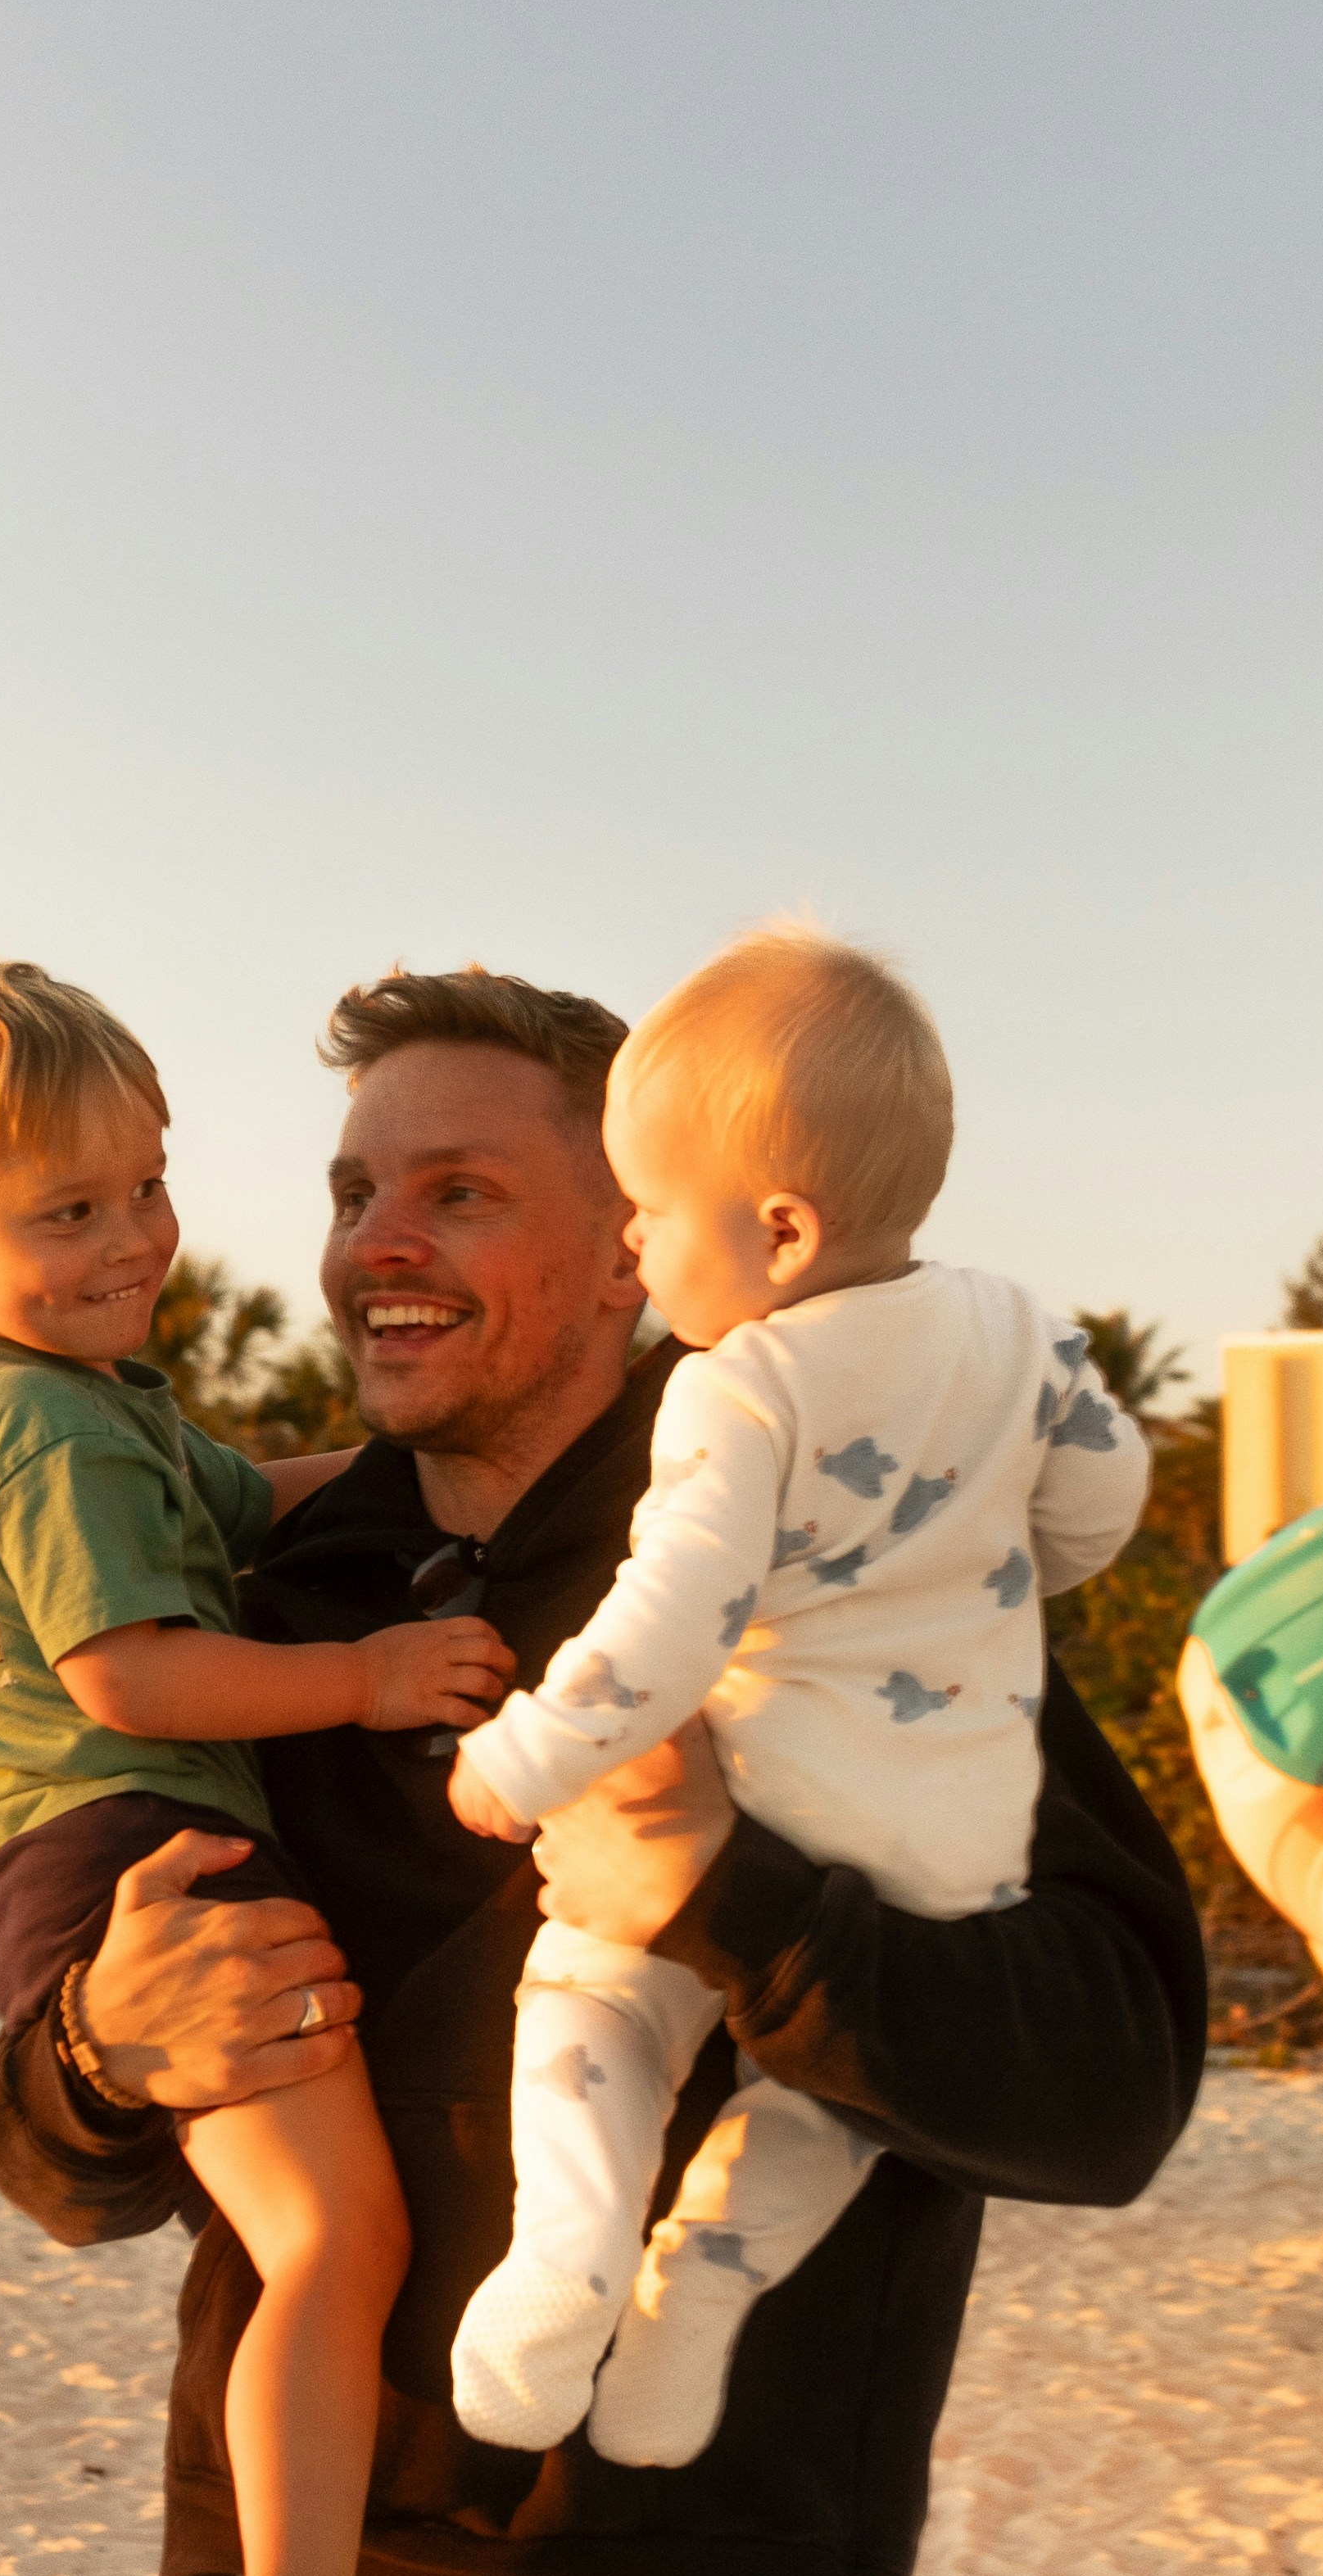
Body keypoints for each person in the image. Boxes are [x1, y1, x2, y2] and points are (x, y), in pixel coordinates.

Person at [0, 962, 1207, 2576]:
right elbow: (74, 2153)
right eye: (343, 1191)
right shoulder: (277, 1589)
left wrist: (726, 1886)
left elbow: (1105, 2073)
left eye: (458, 1187)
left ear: (645, 1240)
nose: (370, 1244)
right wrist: (94, 2042)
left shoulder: (855, 1516)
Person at [0, 960, 513, 2576]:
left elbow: (265, 1498)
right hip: (120, 1833)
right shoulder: (40, 1425)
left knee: (323, 2228)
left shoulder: (89, 1402)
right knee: (334, 2229)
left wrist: (413, 1465)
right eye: (69, 1212)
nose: (136, 1237)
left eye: (145, 1183)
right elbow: (132, 1667)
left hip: (84, 1845)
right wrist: (376, 1675)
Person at [445, 926, 1150, 2463]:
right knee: (824, 2098)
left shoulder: (737, 1383)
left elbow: (672, 1619)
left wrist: (528, 1754)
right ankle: (699, 2285)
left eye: (641, 1210)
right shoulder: (1018, 1326)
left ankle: (566, 2250)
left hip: (762, 1790)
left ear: (773, 1231)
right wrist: (1000, 1575)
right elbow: (1105, 1492)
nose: (634, 1247)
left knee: (596, 2000)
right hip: (951, 1835)